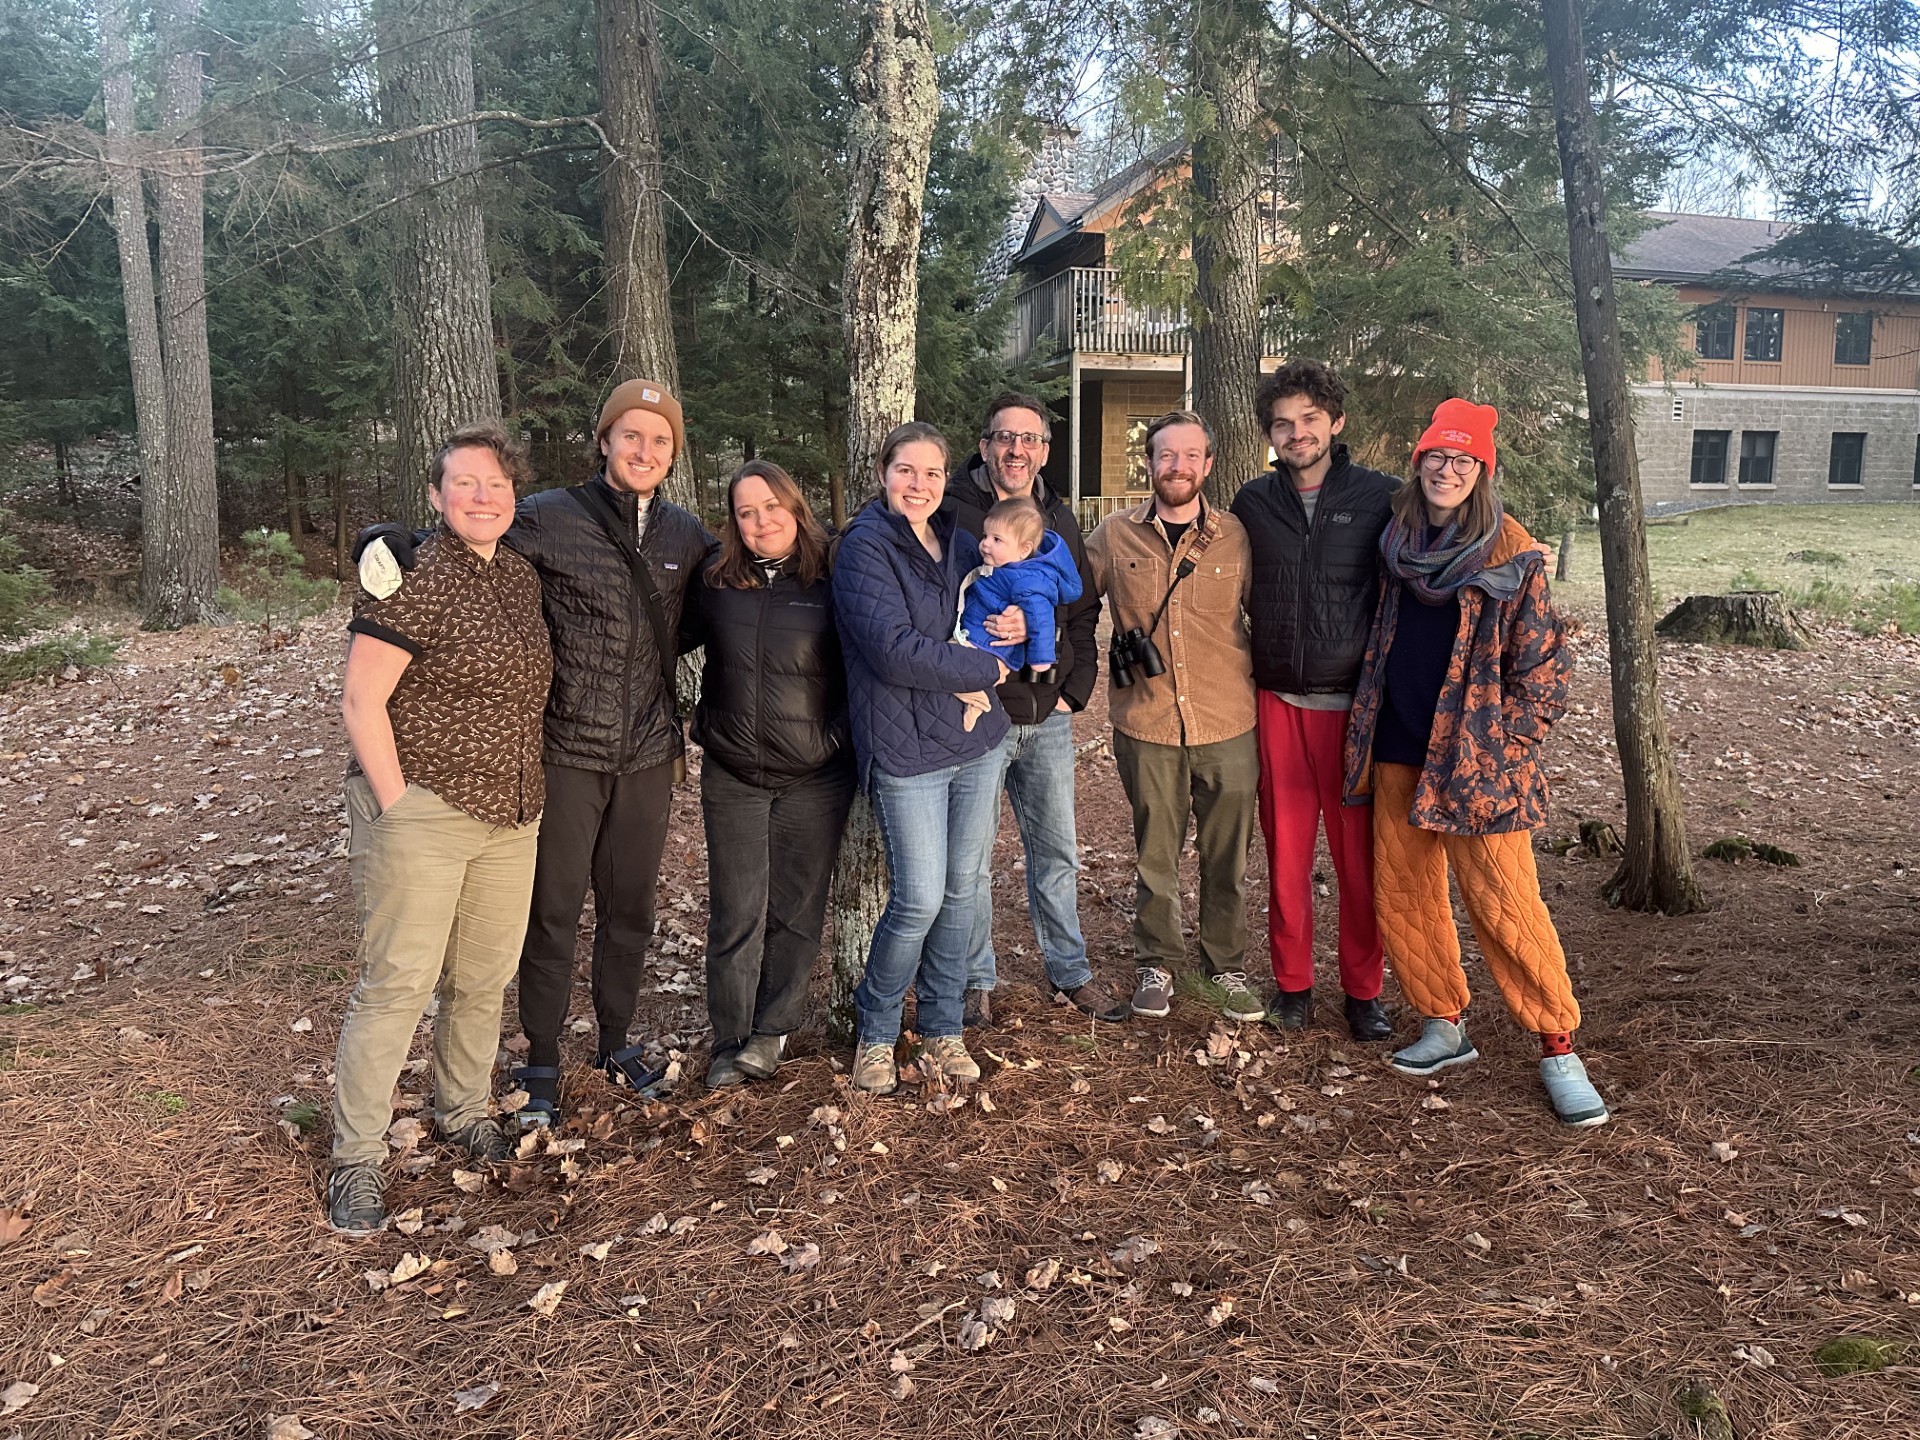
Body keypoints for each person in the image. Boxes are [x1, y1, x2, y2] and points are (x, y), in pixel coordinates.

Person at [1342, 399, 1608, 1128]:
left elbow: (1547, 672)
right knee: (1407, 892)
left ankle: (1558, 1046)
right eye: (1437, 456)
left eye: (1464, 460)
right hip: (1397, 746)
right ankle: (1442, 1023)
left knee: (1506, 903)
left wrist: (1503, 746)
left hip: (1478, 766)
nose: (1447, 470)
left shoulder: (1512, 554)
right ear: (1419, 461)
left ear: (1481, 471)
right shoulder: (1396, 541)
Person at [327, 424, 552, 1234]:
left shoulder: (522, 577)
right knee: (397, 986)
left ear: (513, 495)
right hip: (421, 808)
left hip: (512, 814)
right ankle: (354, 1158)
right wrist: (395, 806)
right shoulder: (408, 572)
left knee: (480, 979)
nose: (482, 496)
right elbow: (361, 700)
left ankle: (462, 1110)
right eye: (465, 483)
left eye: (495, 484)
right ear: (435, 495)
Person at [503, 379, 715, 1123]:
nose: (644, 450)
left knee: (630, 909)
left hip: (649, 752)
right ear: (604, 441)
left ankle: (617, 1041)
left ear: (673, 455)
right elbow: (470, 540)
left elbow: (720, 604)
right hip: (567, 748)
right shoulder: (548, 518)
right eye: (631, 435)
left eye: (660, 441)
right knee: (554, 909)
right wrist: (390, 541)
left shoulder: (687, 535)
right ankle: (541, 1059)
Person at [833, 422, 1013, 1095]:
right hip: (906, 747)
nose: (919, 484)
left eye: (932, 473)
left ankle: (942, 1029)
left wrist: (1018, 630)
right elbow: (892, 648)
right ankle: (876, 1033)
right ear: (884, 473)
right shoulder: (864, 548)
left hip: (974, 741)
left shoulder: (963, 544)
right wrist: (982, 665)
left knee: (963, 892)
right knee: (918, 898)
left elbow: (1003, 602)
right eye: (906, 470)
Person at [939, 393, 1127, 1028]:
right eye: (1004, 438)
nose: (1016, 450)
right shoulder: (950, 512)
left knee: (1056, 850)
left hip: (1047, 714)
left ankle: (1069, 971)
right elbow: (937, 606)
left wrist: (1074, 689)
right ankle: (974, 979)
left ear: (1044, 450)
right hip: (979, 710)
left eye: (1029, 439)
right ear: (985, 444)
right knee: (970, 858)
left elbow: (1082, 609)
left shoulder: (1057, 517)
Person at [1229, 361, 1397, 1042]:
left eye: (1308, 420)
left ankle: (1364, 992)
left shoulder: (1382, 497)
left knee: (1360, 867)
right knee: (1287, 856)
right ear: (1269, 433)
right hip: (1278, 704)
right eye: (1282, 424)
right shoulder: (1252, 503)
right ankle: (1293, 985)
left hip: (1355, 711)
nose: (1296, 434)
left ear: (1336, 423)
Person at [1086, 410, 1262, 1024]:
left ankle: (1226, 965)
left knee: (1227, 857)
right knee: (1154, 855)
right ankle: (1156, 962)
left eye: (1191, 455)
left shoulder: (1238, 536)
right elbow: (1068, 601)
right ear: (1150, 464)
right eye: (1166, 455)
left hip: (1229, 721)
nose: (1178, 466)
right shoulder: (1113, 535)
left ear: (1208, 464)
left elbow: (1268, 617)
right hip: (1148, 722)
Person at [685, 462, 855, 1089]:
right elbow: (656, 633)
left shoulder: (834, 573)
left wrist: (832, 739)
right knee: (737, 911)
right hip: (734, 771)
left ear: (796, 505)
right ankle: (729, 1040)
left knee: (797, 910)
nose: (761, 522)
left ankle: (772, 1031)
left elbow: (866, 660)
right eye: (746, 512)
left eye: (771, 506)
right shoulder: (715, 579)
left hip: (815, 774)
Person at [959, 496, 1081, 673]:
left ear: (1024, 550)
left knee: (969, 693)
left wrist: (1040, 659)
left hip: (989, 648)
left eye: (997, 539)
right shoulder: (997, 567)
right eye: (985, 536)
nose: (985, 543)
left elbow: (1041, 617)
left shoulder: (1027, 580)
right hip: (974, 637)